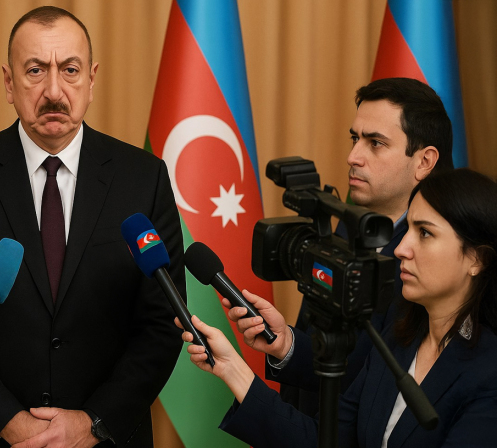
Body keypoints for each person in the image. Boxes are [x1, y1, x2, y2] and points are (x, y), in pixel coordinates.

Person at [0, 6, 184, 448]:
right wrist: (8, 422)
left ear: (91, 80)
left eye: (70, 70)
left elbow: (164, 323)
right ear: (9, 82)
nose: (54, 91)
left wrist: (93, 423)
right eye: (35, 70)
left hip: (106, 438)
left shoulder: (143, 179)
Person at [181, 168, 497, 447]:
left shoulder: (489, 373)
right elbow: (324, 440)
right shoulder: (398, 338)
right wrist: (232, 369)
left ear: (477, 259)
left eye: (425, 233)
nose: (401, 248)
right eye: (409, 229)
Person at [256, 78, 454, 416]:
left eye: (375, 143)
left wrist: (284, 353)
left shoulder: (440, 256)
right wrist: (284, 345)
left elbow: (375, 381)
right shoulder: (350, 223)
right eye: (354, 139)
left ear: (424, 161)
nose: (353, 157)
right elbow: (317, 334)